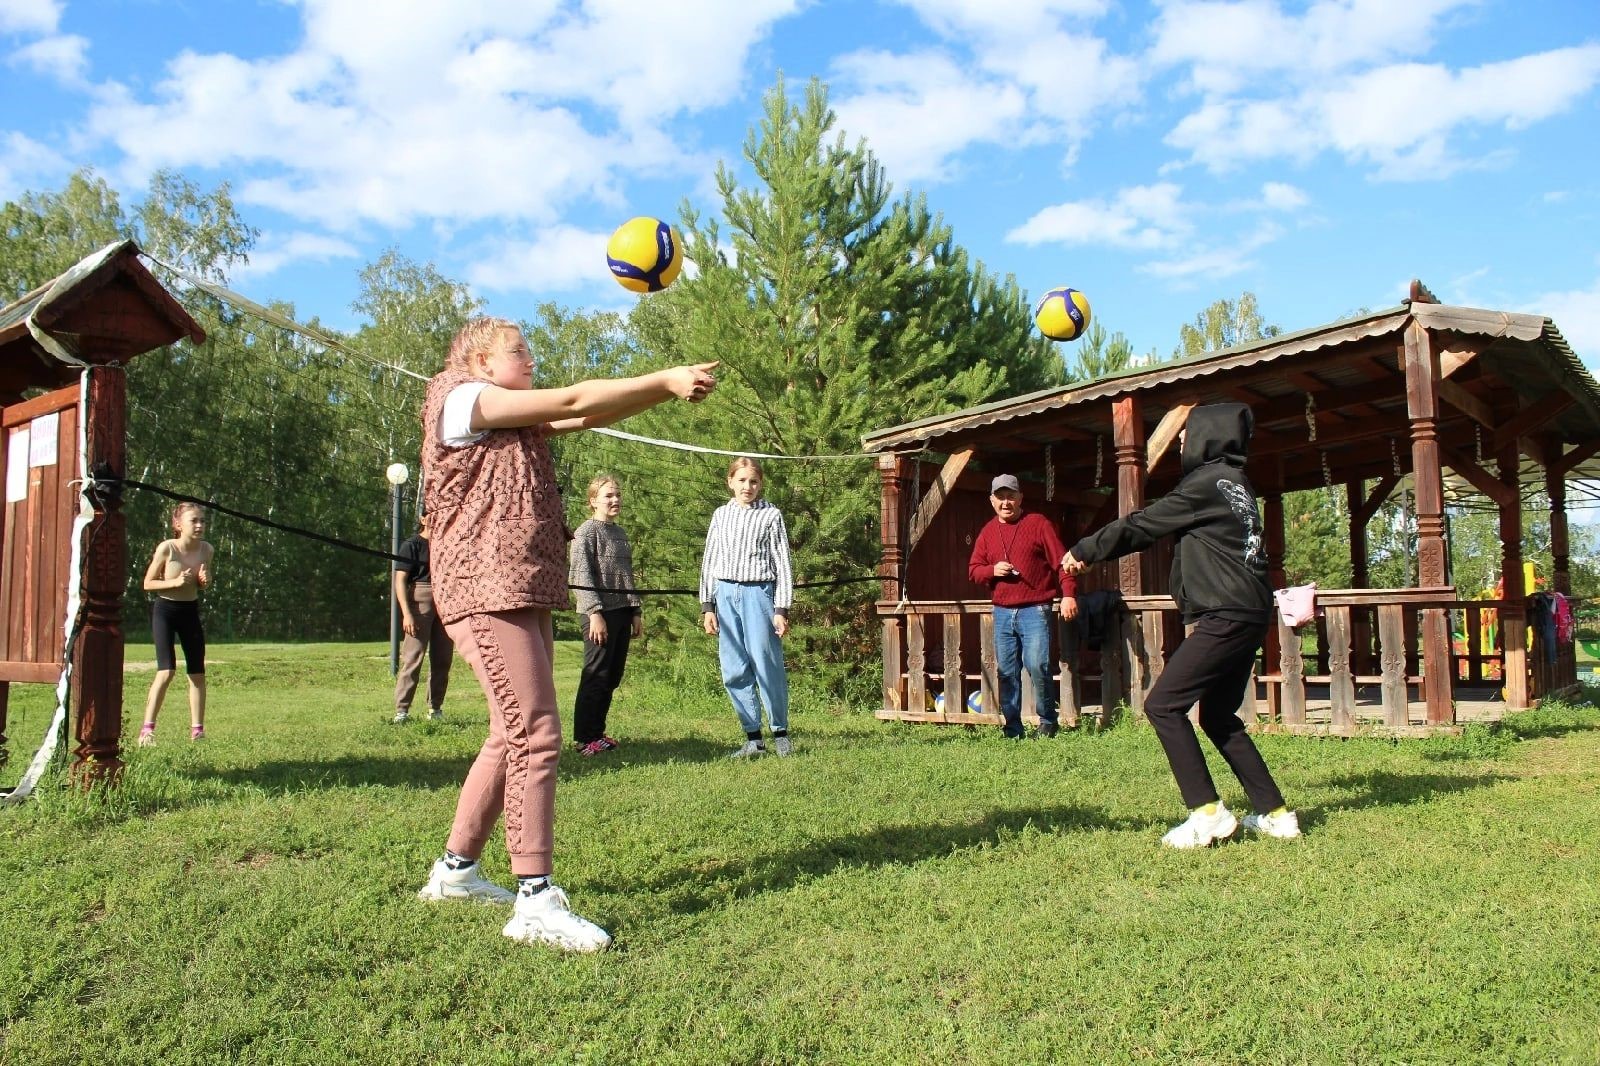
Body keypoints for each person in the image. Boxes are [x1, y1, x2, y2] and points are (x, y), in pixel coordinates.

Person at [414, 316, 715, 952]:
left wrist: (665, 388)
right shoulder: (461, 397)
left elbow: (586, 412)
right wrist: (662, 375)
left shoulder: (508, 415)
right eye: (518, 350)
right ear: (479, 360)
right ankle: (534, 899)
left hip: (514, 584)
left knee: (510, 732)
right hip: (483, 586)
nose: (530, 358)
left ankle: (456, 871)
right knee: (538, 733)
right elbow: (574, 397)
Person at [1062, 403, 1300, 848]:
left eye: (1188, 435)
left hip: (1226, 613)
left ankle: (1207, 813)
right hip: (1249, 611)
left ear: (1209, 437)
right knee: (1218, 716)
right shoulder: (1236, 484)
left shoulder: (1205, 483)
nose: (1182, 443)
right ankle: (1276, 814)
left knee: (1163, 706)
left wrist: (1086, 550)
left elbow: (1143, 524)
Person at [967, 473, 1079, 739]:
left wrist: (1069, 595)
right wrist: (993, 570)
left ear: (1020, 498)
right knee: (1007, 672)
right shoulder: (987, 532)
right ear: (992, 500)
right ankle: (1012, 728)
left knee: (1037, 664)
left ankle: (1048, 722)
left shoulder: (1038, 524)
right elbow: (974, 571)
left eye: (1011, 496)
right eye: (1000, 497)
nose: (1006, 502)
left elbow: (1063, 562)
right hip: (1003, 611)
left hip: (1035, 608)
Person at [700, 457, 793, 758]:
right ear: (730, 482)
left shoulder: (771, 515)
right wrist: (707, 606)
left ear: (760, 484)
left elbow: (782, 563)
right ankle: (753, 738)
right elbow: (710, 561)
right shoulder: (720, 515)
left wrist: (781, 609)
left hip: (759, 595)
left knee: (767, 664)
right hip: (726, 594)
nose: (747, 487)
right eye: (741, 480)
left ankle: (780, 733)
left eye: (753, 481)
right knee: (734, 668)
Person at [568, 474, 642, 755]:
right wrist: (594, 612)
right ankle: (585, 739)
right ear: (593, 501)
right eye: (608, 495)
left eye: (617, 495)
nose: (615, 500)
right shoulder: (586, 532)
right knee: (596, 674)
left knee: (612, 675)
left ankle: (597, 733)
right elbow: (580, 576)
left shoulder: (620, 534)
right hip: (598, 614)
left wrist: (635, 610)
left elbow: (627, 578)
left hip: (622, 611)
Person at [137, 502, 215, 745]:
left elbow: (202, 582)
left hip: (189, 611)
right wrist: (174, 582)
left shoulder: (207, 550)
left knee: (197, 673)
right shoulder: (167, 548)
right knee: (166, 670)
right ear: (178, 524)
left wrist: (205, 581)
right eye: (194, 520)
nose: (200, 525)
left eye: (202, 520)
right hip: (165, 611)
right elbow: (147, 584)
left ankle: (198, 732)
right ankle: (147, 731)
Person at [392, 513, 453, 724]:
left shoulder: (446, 543)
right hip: (421, 598)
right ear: (423, 518)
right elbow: (400, 580)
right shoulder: (412, 545)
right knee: (413, 657)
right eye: (431, 515)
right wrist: (407, 613)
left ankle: (435, 707)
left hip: (445, 600)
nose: (436, 519)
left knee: (443, 658)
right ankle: (402, 711)